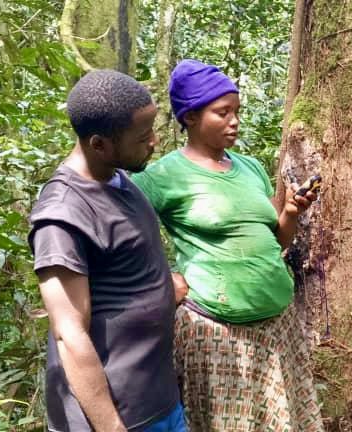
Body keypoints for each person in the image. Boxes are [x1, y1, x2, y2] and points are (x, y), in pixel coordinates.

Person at [131, 59, 323, 431]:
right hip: (217, 334)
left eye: (237, 111)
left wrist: (291, 211)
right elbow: (119, 236)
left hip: (278, 331)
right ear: (190, 117)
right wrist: (160, 279)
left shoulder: (248, 167)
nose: (234, 121)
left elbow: (275, 240)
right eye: (222, 112)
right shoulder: (162, 177)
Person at [28, 70, 187, 432]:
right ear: (99, 144)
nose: (155, 142)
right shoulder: (62, 216)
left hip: (156, 398)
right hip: (119, 417)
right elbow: (70, 337)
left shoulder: (116, 176)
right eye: (143, 137)